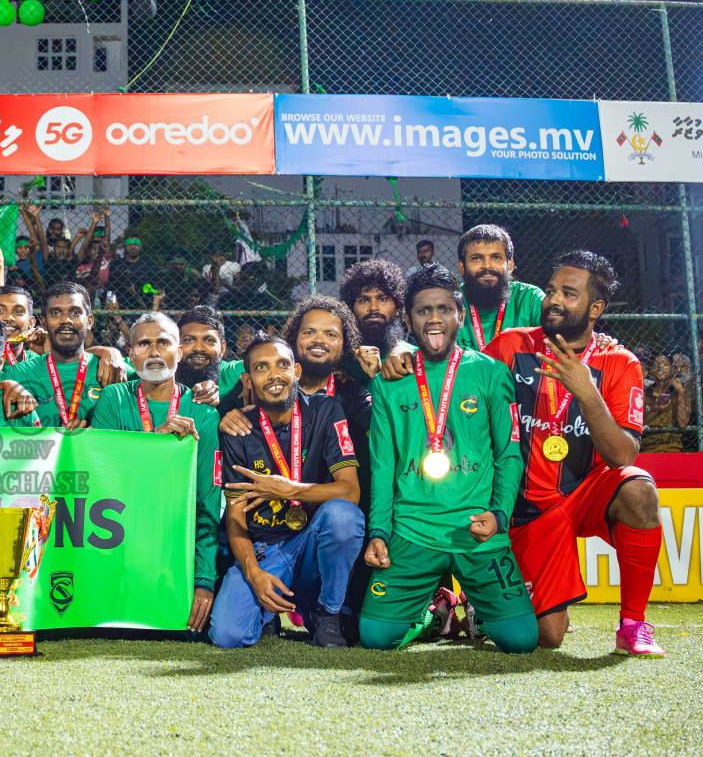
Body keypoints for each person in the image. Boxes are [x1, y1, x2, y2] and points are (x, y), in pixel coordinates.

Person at [484, 251, 666, 656]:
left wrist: (587, 392)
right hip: (527, 507)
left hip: (584, 495)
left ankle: (633, 624)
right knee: (545, 638)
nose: (554, 300)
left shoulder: (620, 362)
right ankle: (483, 609)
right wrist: (402, 352)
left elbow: (623, 455)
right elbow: (459, 371)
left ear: (595, 308)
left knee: (639, 490)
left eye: (569, 293)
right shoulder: (512, 344)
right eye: (551, 290)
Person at [359, 263, 537, 653]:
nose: (434, 319)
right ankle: (432, 614)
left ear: (459, 314)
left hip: (477, 529)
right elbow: (383, 466)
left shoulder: (490, 373)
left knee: (522, 641)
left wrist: (500, 516)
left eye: (444, 309)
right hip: (412, 530)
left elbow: (509, 454)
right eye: (424, 311)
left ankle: (479, 610)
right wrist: (378, 532)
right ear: (408, 319)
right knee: (374, 637)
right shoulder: (389, 382)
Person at [207, 332, 364, 649]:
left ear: (297, 371)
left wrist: (289, 489)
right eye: (261, 368)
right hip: (265, 550)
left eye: (282, 364)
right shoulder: (237, 431)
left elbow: (351, 492)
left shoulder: (327, 411)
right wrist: (254, 573)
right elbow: (235, 517)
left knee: (343, 516)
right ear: (247, 380)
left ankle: (327, 612)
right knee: (228, 636)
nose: (274, 375)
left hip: (311, 544)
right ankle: (266, 613)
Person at [91, 312, 221, 634]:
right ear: (130, 352)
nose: (153, 352)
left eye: (162, 343)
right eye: (143, 344)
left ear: (178, 353)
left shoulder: (203, 412)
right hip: (119, 541)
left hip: (177, 543)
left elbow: (208, 501)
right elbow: (102, 479)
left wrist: (203, 581)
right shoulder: (113, 399)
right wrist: (155, 447)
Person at [0, 283, 133, 428]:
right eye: (56, 313)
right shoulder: (18, 374)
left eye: (75, 313)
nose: (66, 320)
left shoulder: (115, 368)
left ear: (89, 321)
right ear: (44, 322)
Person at [457, 224, 545, 352]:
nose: (487, 266)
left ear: (510, 265)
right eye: (476, 258)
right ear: (462, 267)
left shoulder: (530, 298)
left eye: (496, 257)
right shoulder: (450, 300)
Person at [640, 353, 689, 454]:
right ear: (651, 370)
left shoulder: (678, 391)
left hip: (673, 447)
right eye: (656, 364)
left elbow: (683, 423)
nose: (660, 367)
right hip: (649, 448)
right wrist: (653, 409)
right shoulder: (644, 393)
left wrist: (681, 392)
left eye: (665, 364)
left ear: (671, 369)